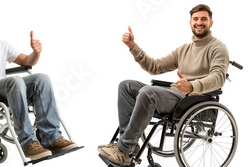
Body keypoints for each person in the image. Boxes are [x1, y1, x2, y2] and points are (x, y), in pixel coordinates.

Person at [97, 4, 229, 165]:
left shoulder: (218, 48)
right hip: (177, 95)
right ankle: (129, 145)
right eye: (195, 19)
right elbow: (155, 67)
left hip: (195, 100)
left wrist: (192, 86)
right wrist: (133, 47)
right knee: (126, 86)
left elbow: (218, 77)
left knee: (148, 92)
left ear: (211, 23)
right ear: (190, 22)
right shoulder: (184, 49)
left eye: (203, 19)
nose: (199, 22)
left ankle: (124, 149)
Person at [0, 3, 78, 160]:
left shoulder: (1, 45)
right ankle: (28, 143)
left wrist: (35, 52)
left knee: (42, 78)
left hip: (6, 87)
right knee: (15, 81)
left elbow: (27, 61)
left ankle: (51, 137)